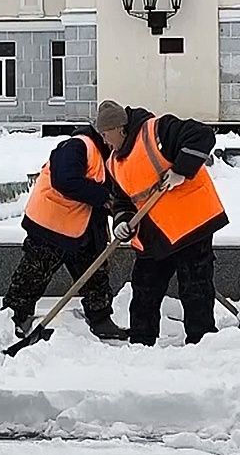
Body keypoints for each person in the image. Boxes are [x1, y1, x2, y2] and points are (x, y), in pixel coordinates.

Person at [94, 100, 228, 346]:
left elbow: (202, 135)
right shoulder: (113, 163)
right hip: (153, 234)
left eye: (105, 134)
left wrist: (181, 170)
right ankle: (141, 342)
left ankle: (202, 343)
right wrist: (122, 221)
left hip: (189, 224)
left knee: (195, 288)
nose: (104, 141)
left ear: (119, 128)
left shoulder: (157, 131)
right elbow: (122, 201)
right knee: (144, 289)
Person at [1, 124, 128, 341]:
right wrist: (103, 197)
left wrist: (120, 216)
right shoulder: (78, 146)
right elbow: (65, 180)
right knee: (32, 276)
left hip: (82, 228)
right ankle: (14, 319)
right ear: (105, 134)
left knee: (95, 276)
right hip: (50, 226)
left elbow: (113, 195)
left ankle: (101, 320)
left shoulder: (109, 157)